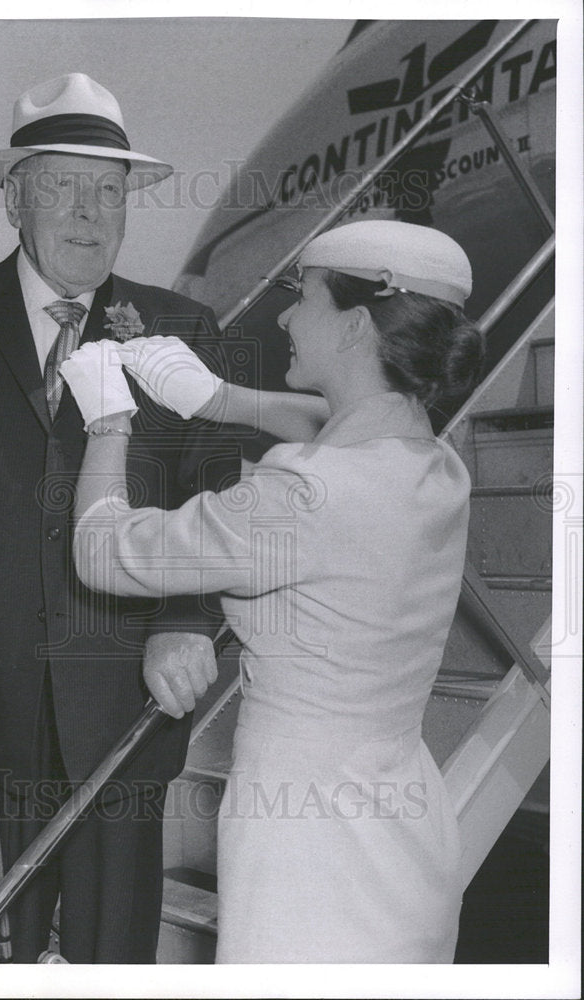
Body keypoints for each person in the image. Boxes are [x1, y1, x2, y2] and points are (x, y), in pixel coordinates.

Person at [0, 73, 241, 963]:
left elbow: (217, 508)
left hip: (125, 712)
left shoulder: (183, 326)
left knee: (114, 960)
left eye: (110, 190)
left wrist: (185, 623)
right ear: (14, 198)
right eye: (63, 185)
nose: (88, 212)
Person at [62, 220, 485, 962]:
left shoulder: (305, 493)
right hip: (403, 820)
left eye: (305, 299)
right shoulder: (434, 464)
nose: (286, 316)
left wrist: (109, 420)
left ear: (355, 326)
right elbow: (342, 423)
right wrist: (219, 398)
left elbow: (102, 549)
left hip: (305, 840)